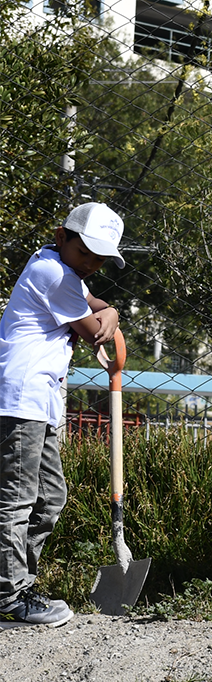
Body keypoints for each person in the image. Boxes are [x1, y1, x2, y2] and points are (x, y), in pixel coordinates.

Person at [0, 202, 124, 627]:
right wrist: (107, 316)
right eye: (84, 252)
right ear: (61, 237)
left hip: (40, 402)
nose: (90, 263)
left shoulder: (58, 268)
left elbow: (97, 306)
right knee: (16, 501)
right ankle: (8, 594)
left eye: (100, 258)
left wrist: (110, 310)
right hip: (21, 399)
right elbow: (93, 328)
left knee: (50, 497)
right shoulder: (53, 273)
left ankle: (17, 582)